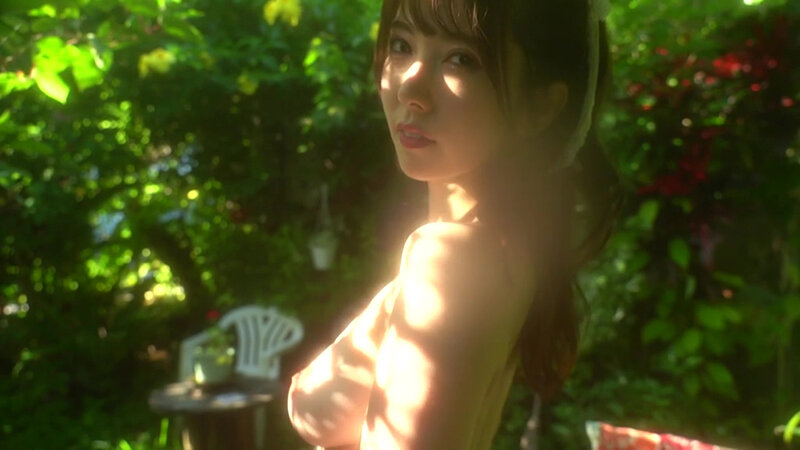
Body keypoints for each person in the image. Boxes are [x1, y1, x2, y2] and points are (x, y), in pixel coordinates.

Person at [287, 0, 622, 448]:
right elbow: (320, 412)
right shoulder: (490, 253)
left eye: (461, 58)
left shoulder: (453, 260)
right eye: (401, 45)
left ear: (540, 106)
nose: (410, 86)